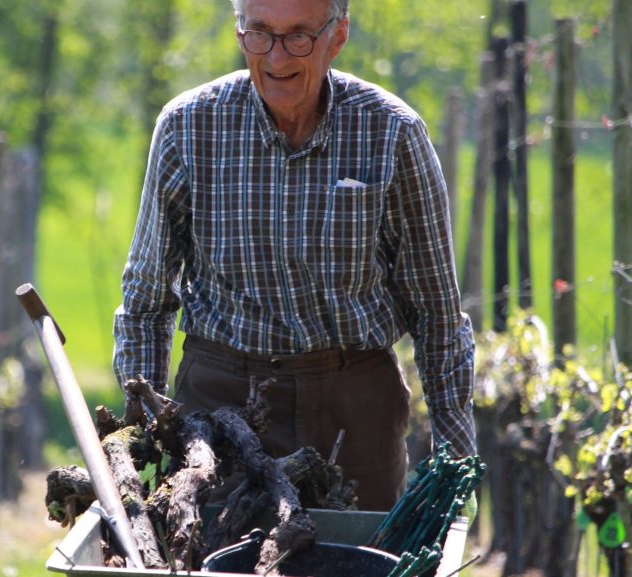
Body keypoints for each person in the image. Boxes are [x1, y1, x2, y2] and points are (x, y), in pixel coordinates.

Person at [113, 0, 476, 512]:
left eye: (298, 36)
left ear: (338, 36)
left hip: (355, 408)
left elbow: (436, 313)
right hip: (222, 409)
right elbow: (146, 301)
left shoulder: (391, 132)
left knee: (360, 551)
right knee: (214, 547)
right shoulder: (189, 126)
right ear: (239, 33)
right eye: (260, 33)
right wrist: (146, 438)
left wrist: (455, 460)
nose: (277, 57)